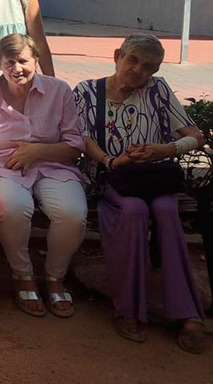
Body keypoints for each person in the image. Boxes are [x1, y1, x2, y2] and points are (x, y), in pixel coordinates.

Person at [74, 34, 207, 353]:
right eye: (132, 60)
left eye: (148, 66)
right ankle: (129, 309)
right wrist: (112, 161)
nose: (138, 70)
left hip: (152, 178)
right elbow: (82, 139)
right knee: (133, 210)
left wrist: (165, 149)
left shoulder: (158, 90)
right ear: (118, 55)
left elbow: (196, 135)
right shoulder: (88, 91)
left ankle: (187, 312)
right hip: (110, 178)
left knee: (165, 209)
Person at [0, 34, 86, 319]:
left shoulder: (59, 92)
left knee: (73, 213)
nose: (17, 68)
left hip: (54, 168)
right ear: (0, 64)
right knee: (13, 208)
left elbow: (74, 145)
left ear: (36, 61)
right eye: (9, 62)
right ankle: (23, 276)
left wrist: (37, 152)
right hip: (2, 169)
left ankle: (55, 277)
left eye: (23, 61)